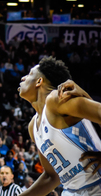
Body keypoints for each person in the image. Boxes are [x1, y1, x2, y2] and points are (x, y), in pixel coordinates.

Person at [18, 56, 101, 196]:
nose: (23, 78)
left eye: (29, 74)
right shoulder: (33, 126)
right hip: (72, 191)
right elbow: (51, 177)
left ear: (39, 81)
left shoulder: (56, 99)